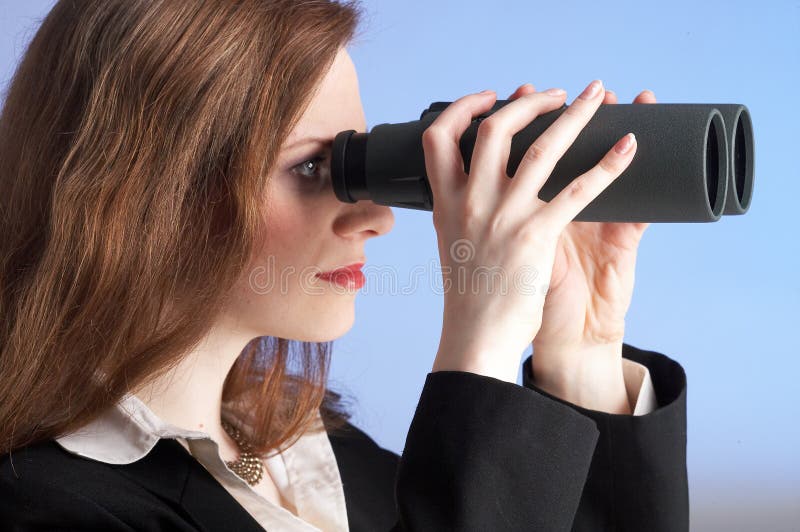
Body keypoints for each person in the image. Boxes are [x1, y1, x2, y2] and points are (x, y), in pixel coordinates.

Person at [0, 1, 688, 531]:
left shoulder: (313, 457)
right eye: (308, 166)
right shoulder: (47, 506)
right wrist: (481, 346)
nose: (376, 217)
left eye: (354, 162)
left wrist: (580, 351)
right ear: (148, 192)